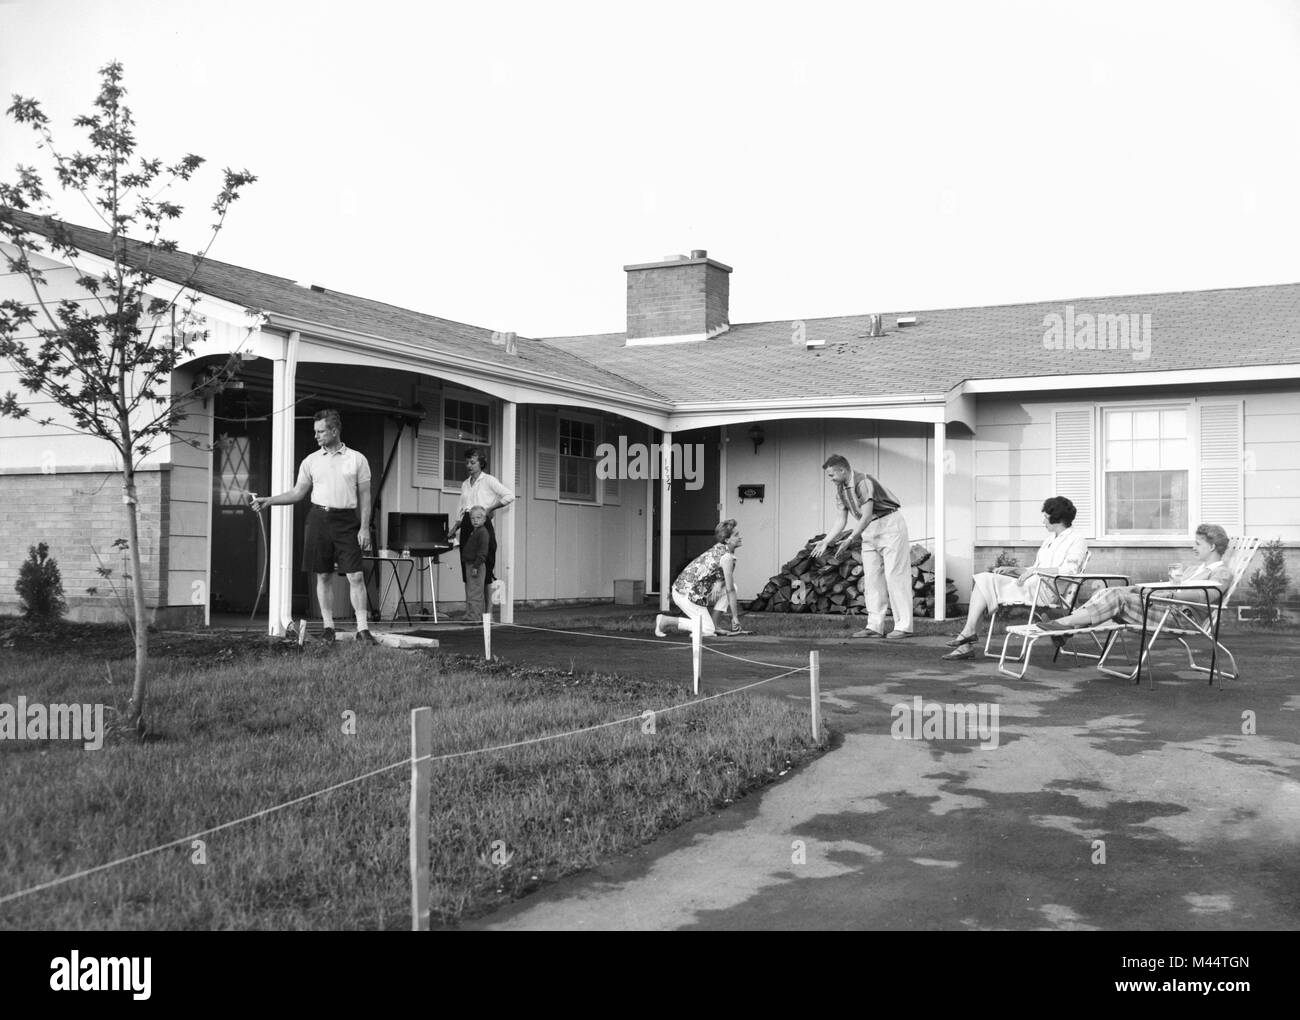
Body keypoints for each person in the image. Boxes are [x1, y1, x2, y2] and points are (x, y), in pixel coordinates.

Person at [250, 409, 376, 644]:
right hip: (318, 519)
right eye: (315, 431)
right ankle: (329, 627)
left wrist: (364, 528)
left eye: (321, 431)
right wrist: (269, 501)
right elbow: (298, 493)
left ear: (334, 430)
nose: (316, 436)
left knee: (356, 575)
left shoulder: (357, 459)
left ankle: (362, 629)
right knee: (323, 575)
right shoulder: (311, 461)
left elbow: (365, 498)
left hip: (347, 521)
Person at [941, 496, 1088, 660]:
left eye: (1046, 517)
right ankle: (968, 636)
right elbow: (1034, 569)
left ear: (1057, 519)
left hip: (1048, 591)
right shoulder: (1049, 540)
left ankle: (967, 639)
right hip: (1032, 585)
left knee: (985, 584)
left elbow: (1070, 570)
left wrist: (1035, 571)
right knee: (984, 580)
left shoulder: (1076, 540)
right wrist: (1013, 570)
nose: (1043, 522)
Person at [1030, 523, 1233, 635]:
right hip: (1164, 608)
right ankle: (1067, 628)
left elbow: (1202, 596)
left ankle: (1064, 624)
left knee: (1120, 598)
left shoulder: (1222, 573)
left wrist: (1168, 592)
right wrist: (1146, 590)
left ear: (1212, 547)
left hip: (1180, 618)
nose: (1193, 547)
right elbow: (1174, 588)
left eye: (1198, 543)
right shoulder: (1192, 570)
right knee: (1109, 592)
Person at [813, 454, 912, 639]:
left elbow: (866, 515)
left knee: (895, 576)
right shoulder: (840, 489)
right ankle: (874, 626)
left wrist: (850, 539)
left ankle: (903, 626)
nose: (831, 479)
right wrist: (826, 540)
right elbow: (840, 519)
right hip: (868, 529)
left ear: (842, 470)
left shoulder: (863, 482)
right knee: (872, 579)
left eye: (831, 475)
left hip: (888, 523)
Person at [449, 448, 514, 618]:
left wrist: (490, 509)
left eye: (473, 462)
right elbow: (461, 508)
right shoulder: (465, 484)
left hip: (482, 526)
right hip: (466, 525)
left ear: (481, 463)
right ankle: (472, 612)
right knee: (468, 569)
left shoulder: (489, 480)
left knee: (485, 568)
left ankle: (488, 614)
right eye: (467, 462)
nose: (469, 465)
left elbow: (509, 496)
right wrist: (455, 527)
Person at [655, 519, 744, 638]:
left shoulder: (720, 548)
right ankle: (665, 621)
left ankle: (715, 626)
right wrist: (735, 618)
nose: (740, 537)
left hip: (692, 590)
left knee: (734, 587)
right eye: (736, 535)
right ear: (727, 540)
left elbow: (715, 570)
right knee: (707, 630)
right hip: (685, 593)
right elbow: (730, 590)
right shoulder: (727, 557)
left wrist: (719, 582)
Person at [461, 506, 491, 619]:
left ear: (484, 519)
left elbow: (482, 552)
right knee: (471, 591)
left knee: (475, 593)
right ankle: (470, 614)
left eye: (478, 517)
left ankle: (475, 617)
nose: (475, 520)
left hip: (476, 566)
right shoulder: (475, 531)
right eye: (473, 518)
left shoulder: (483, 533)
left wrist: (476, 566)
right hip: (470, 564)